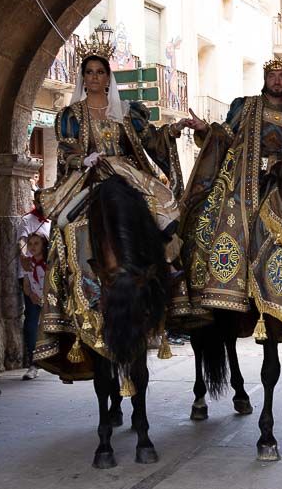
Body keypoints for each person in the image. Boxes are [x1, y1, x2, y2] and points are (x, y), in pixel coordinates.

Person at [36, 49, 182, 376]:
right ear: (83, 78)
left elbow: (150, 141)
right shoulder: (70, 115)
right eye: (88, 72)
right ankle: (63, 291)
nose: (94, 77)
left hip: (125, 176)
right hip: (89, 179)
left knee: (161, 214)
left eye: (100, 72)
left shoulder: (127, 112)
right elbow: (66, 149)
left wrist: (169, 134)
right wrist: (80, 159)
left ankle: (168, 274)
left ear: (108, 77)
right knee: (64, 225)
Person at [171, 59, 282, 321]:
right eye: (272, 75)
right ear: (264, 79)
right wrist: (206, 128)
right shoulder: (246, 105)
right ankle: (217, 286)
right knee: (213, 221)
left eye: (281, 75)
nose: (277, 80)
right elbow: (227, 135)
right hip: (247, 180)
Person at [16, 189, 51, 380]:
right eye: (39, 201)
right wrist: (23, 255)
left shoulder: (51, 222)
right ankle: (33, 362)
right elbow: (22, 239)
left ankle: (52, 357)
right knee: (32, 318)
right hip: (31, 274)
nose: (42, 204)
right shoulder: (27, 220)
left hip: (48, 276)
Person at [21, 231, 49, 374]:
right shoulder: (28, 264)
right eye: (30, 244)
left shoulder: (49, 262)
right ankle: (33, 362)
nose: (32, 247)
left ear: (43, 244)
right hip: (35, 298)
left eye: (36, 243)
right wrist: (31, 295)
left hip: (50, 299)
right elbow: (26, 284)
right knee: (31, 326)